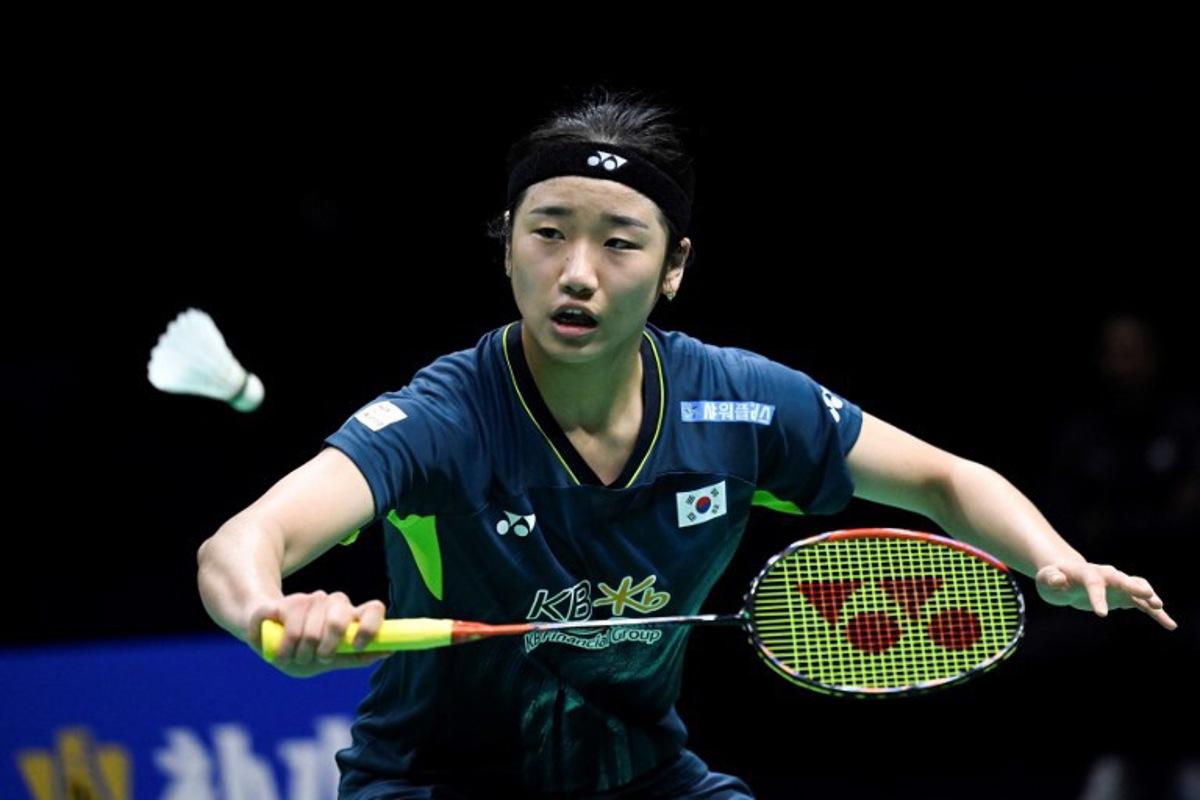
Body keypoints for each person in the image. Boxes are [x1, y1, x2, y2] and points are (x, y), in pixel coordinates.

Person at [197, 88, 1175, 799]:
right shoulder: (450, 416)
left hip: (643, 777)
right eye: (547, 232)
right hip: (435, 779)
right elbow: (243, 541)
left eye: (620, 240)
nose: (576, 272)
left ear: (674, 268)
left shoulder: (738, 405)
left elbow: (940, 476)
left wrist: (1048, 555)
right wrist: (269, 614)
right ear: (506, 246)